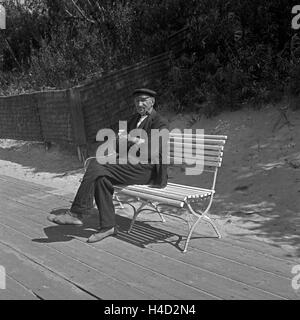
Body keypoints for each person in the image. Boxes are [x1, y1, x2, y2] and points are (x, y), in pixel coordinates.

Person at [48, 88, 169, 243]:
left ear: (152, 101)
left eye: (143, 100)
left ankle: (76, 214)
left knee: (97, 163)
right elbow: (119, 147)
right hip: (129, 165)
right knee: (101, 178)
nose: (140, 104)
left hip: (148, 170)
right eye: (137, 101)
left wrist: (132, 139)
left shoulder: (160, 122)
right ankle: (108, 227)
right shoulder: (132, 120)